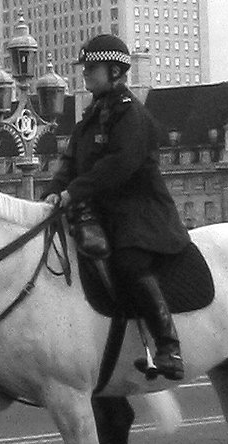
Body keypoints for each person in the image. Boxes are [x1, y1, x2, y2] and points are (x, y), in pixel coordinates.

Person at [42, 34, 191, 380]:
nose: (85, 74)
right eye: (85, 68)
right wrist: (52, 191)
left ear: (114, 70)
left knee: (129, 262)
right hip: (99, 213)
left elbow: (118, 166)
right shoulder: (89, 120)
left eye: (92, 68)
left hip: (139, 213)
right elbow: (69, 164)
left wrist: (72, 193)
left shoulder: (132, 116)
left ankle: (169, 345)